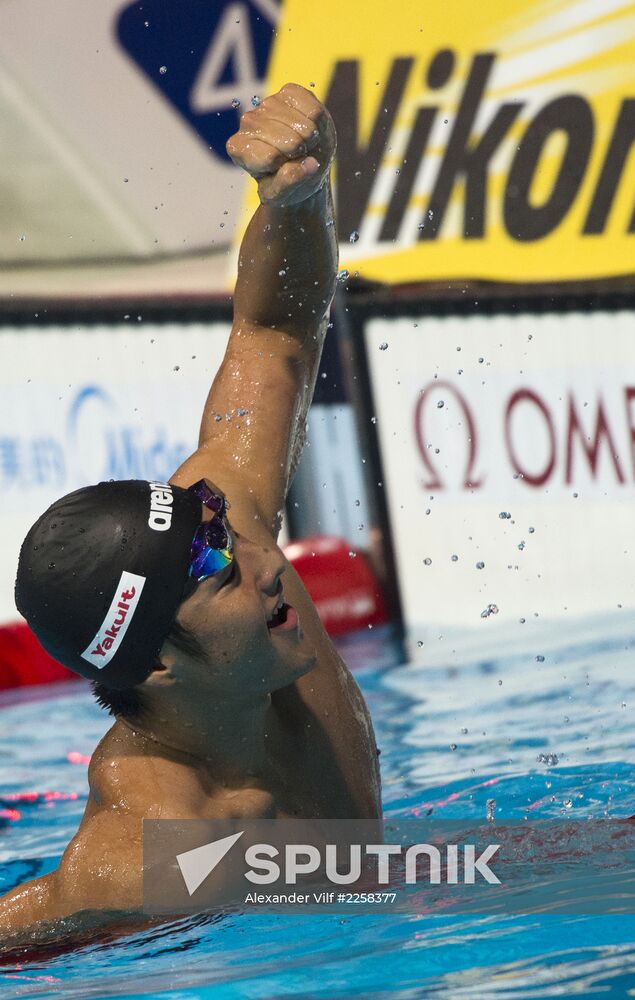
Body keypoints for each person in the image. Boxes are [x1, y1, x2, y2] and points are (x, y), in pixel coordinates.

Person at [0, 83, 381, 948]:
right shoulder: (142, 855)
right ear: (162, 666)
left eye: (229, 532)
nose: (268, 561)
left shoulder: (233, 531)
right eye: (221, 573)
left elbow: (276, 328)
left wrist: (299, 196)